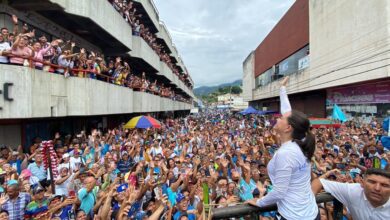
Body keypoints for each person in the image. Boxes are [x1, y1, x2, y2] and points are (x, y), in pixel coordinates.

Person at [246, 76, 319, 220]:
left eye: (280, 118)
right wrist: (282, 88)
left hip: (295, 216)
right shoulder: (300, 140)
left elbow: (279, 192)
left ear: (288, 128)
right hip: (309, 212)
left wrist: (259, 202)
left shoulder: (287, 153)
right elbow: (287, 111)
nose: (277, 118)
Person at [312, 168, 390, 219]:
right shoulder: (353, 191)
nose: (377, 188)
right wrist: (306, 202)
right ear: (362, 183)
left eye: (385, 185)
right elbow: (319, 182)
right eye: (372, 182)